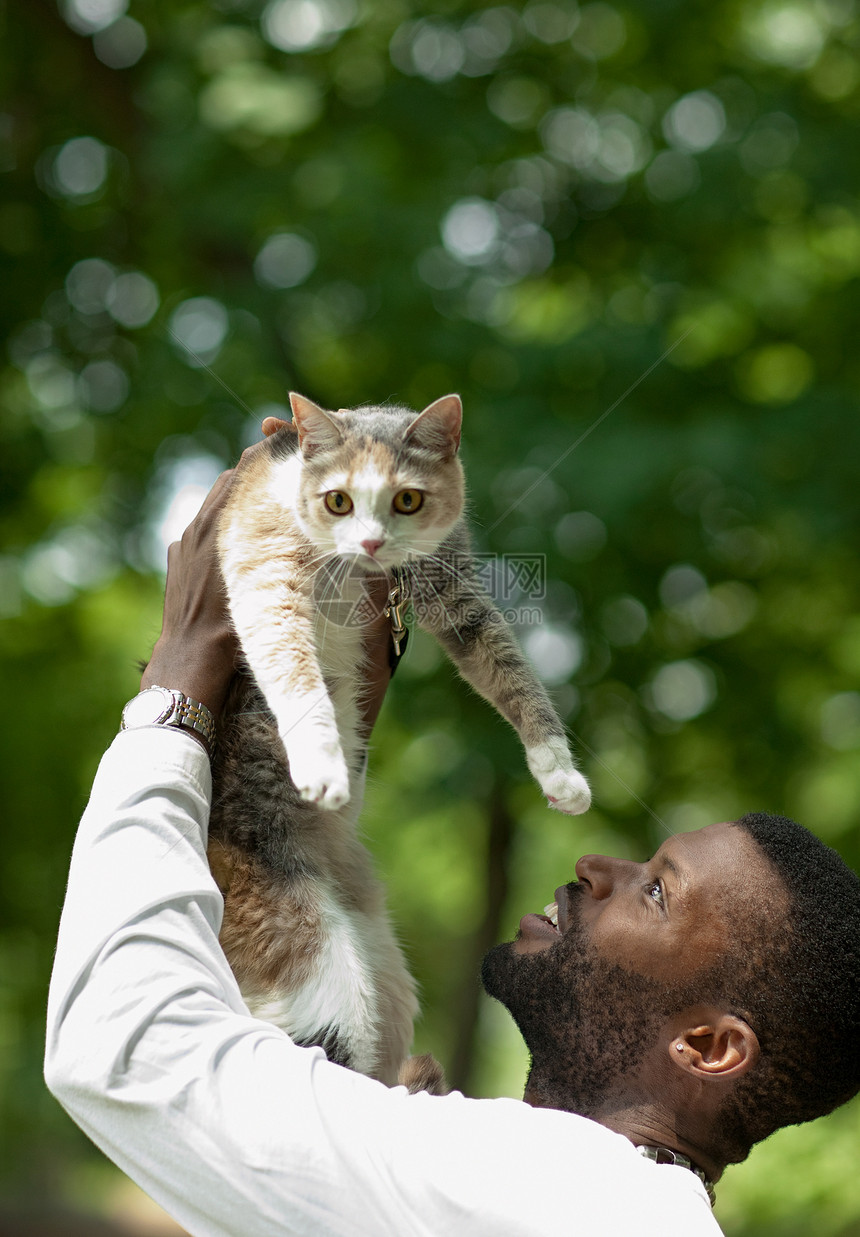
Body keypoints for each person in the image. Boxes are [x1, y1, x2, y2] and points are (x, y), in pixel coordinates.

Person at [45, 425, 860, 1237]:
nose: (595, 862)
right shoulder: (599, 1199)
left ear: (710, 1046)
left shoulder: (561, 1195)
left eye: (656, 890)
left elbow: (121, 1047)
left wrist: (182, 675)